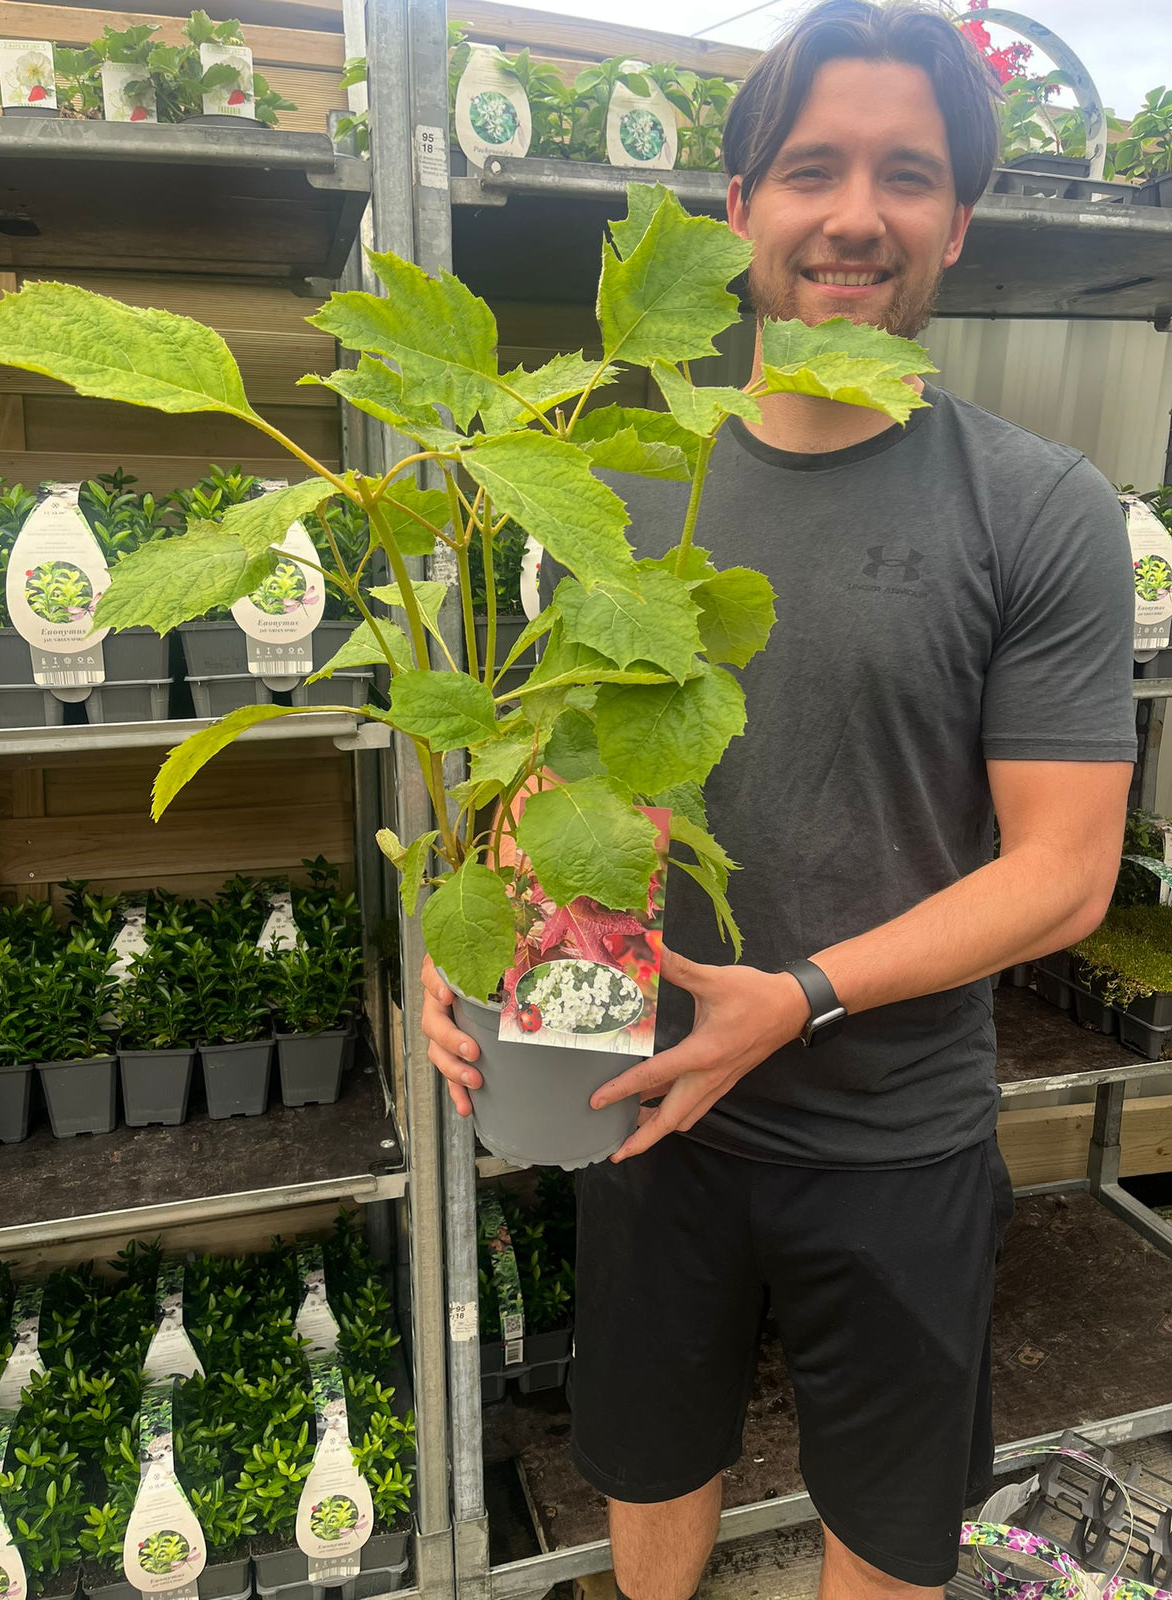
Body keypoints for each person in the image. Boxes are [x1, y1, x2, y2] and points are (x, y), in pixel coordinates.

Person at [422, 2, 1137, 1595]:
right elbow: (539, 782)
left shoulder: (1038, 507)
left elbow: (1069, 872)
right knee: (650, 1465)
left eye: (907, 173)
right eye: (813, 167)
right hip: (640, 1102)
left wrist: (801, 997)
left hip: (895, 1138)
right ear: (737, 206)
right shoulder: (605, 477)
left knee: (884, 1527)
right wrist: (458, 939)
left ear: (958, 216)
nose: (856, 213)